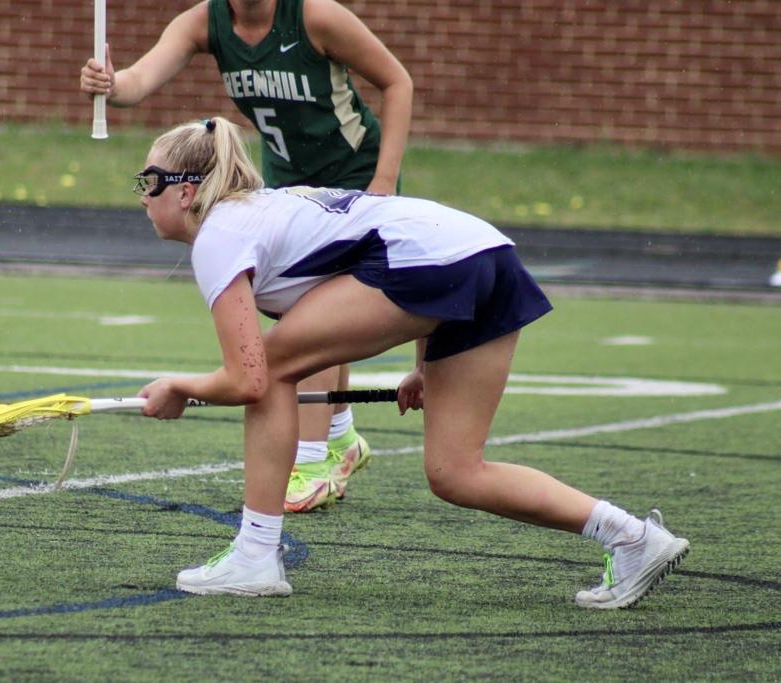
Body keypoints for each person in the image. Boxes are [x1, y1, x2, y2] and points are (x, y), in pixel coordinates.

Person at [133, 117, 690, 607]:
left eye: (149, 181)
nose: (142, 196)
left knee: (276, 368)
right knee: (456, 474)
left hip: (437, 265)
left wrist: (180, 387)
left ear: (186, 192)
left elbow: (249, 379)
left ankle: (254, 556)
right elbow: (396, 239)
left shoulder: (220, 233)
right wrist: (426, 365)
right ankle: (633, 538)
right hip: (485, 255)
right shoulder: (257, 214)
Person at [79, 0, 414, 513]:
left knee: (312, 320)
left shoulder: (315, 16)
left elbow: (398, 82)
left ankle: (311, 459)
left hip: (353, 180)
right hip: (288, 182)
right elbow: (139, 80)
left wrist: (383, 183)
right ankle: (341, 438)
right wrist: (111, 83)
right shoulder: (205, 21)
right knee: (309, 314)